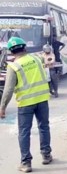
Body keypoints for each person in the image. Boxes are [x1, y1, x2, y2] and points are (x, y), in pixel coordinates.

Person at [0, 37, 53, 172]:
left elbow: (8, 89)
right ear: (25, 47)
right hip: (42, 99)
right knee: (44, 127)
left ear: (11, 51)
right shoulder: (36, 59)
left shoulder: (14, 66)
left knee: (24, 132)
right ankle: (46, 155)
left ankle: (26, 163)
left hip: (26, 103)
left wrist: (2, 107)